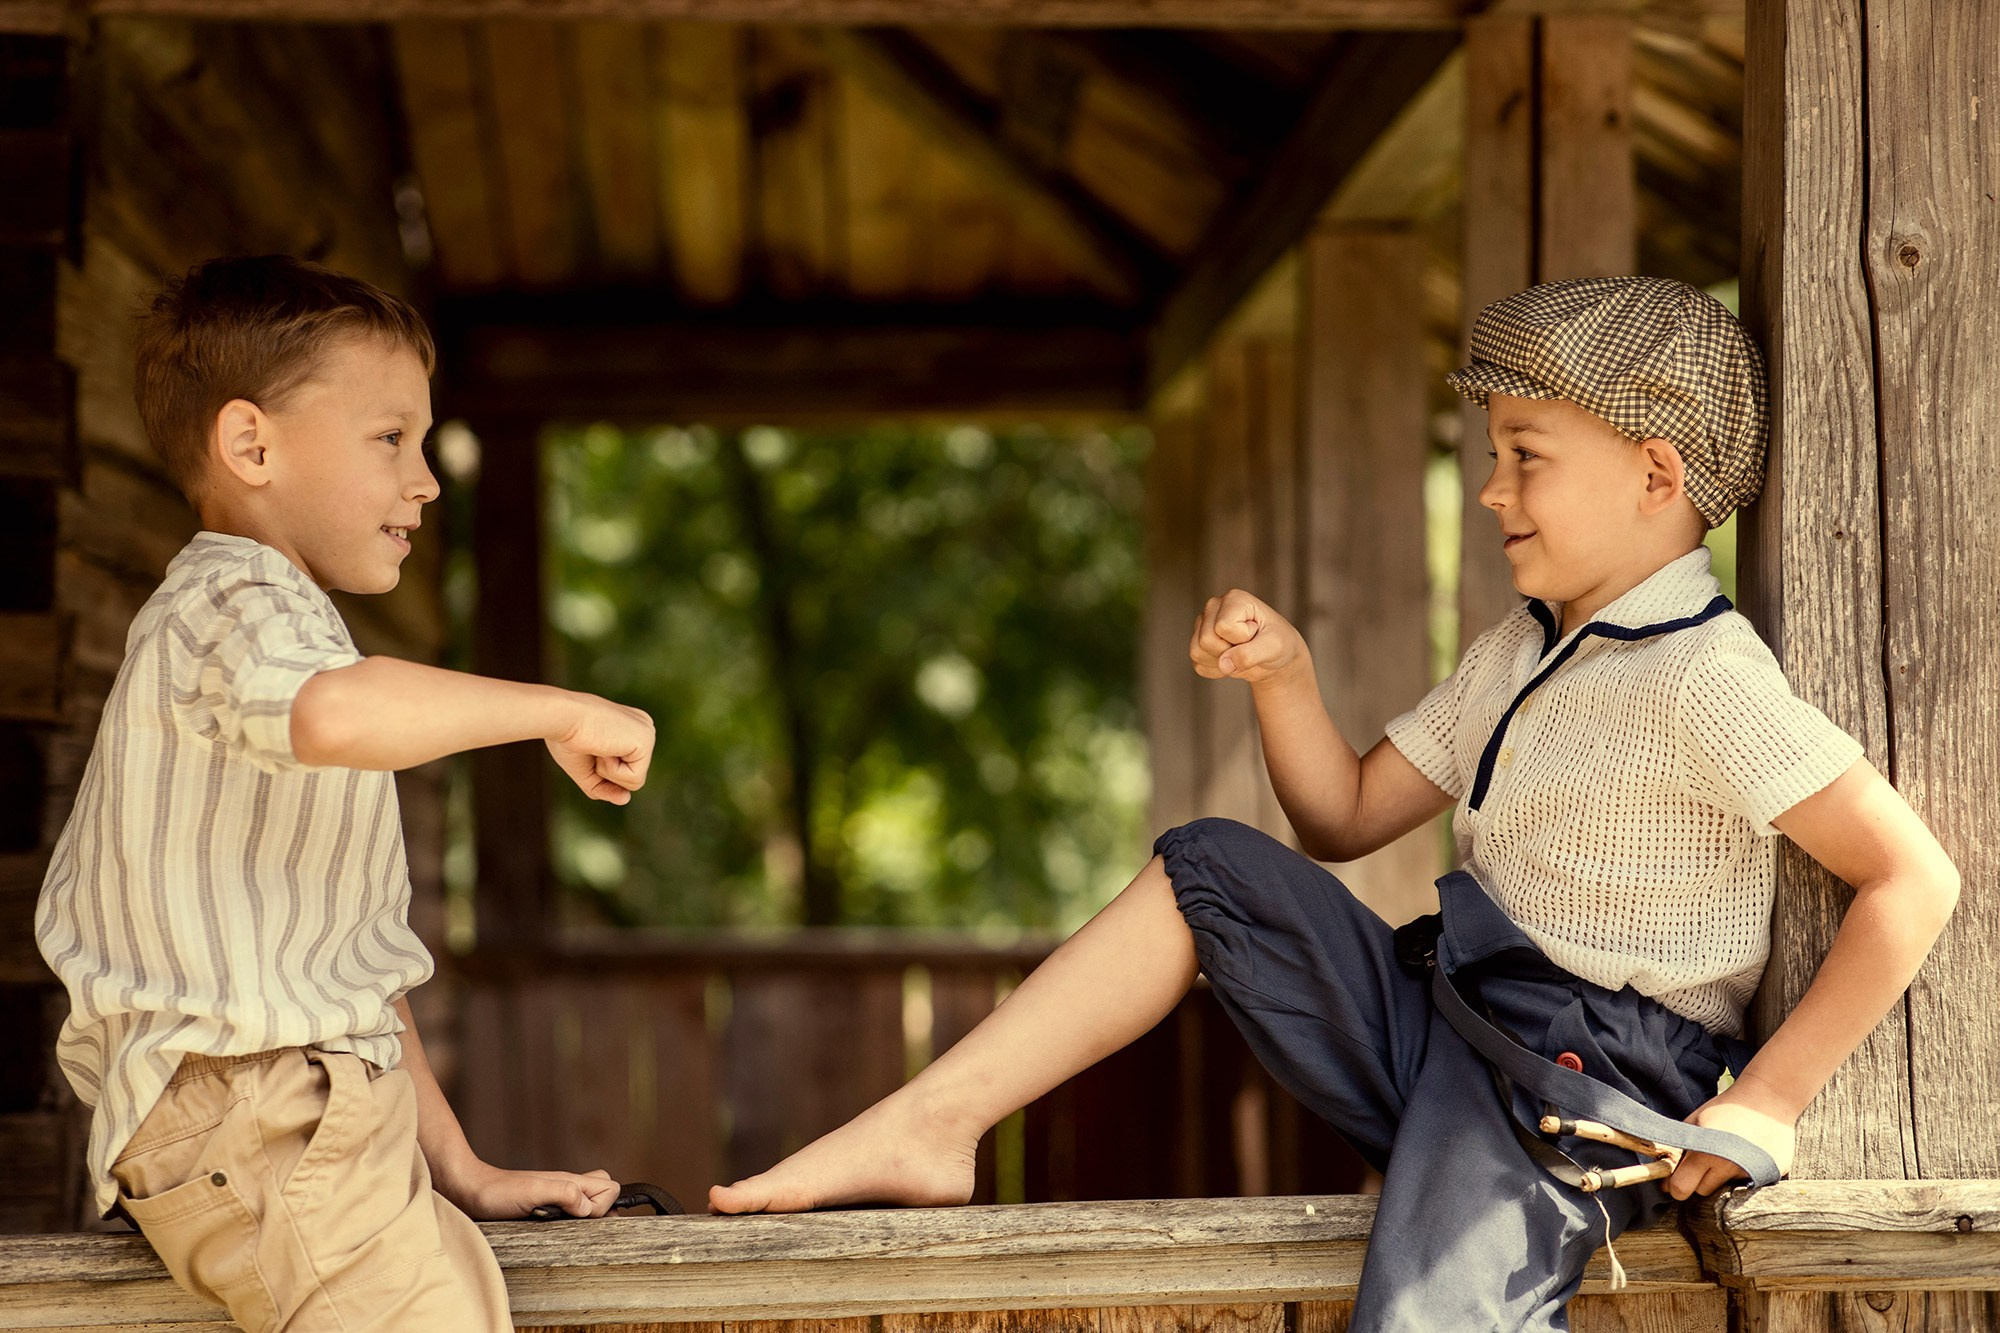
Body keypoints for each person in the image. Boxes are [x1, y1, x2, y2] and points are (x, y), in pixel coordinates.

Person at [705, 278, 1961, 1330]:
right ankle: (936, 1122)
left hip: (1578, 1081)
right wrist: (1284, 675)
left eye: (1524, 456)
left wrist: (1764, 1101)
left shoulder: (1705, 673)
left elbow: (1911, 879)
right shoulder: (1516, 653)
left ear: (1653, 471)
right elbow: (1342, 816)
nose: (1490, 489)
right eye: (1490, 458)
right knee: (1209, 869)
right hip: (1449, 1021)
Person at [36, 255, 656, 1332]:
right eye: (391, 439)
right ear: (251, 444)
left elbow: (344, 972)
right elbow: (334, 712)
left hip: (303, 1116)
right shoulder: (227, 598)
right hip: (259, 1117)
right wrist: (559, 709)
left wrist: (460, 1167)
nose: (425, 478)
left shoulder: (291, 633)